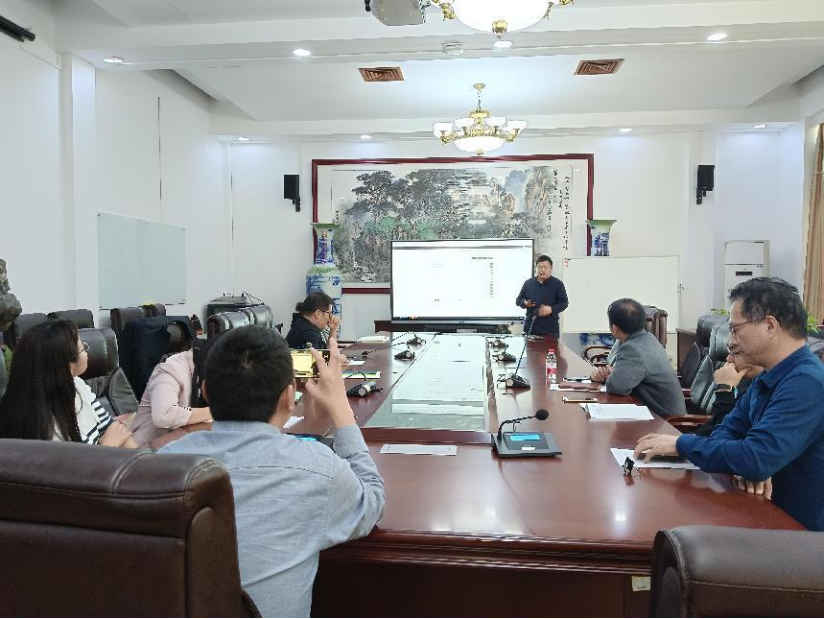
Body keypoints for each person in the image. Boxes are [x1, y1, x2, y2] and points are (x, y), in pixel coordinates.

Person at [158, 326, 385, 617]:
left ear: (205, 392)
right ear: (289, 397)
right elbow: (373, 502)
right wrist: (341, 408)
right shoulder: (318, 470)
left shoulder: (162, 466)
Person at [634, 278, 824, 531]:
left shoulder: (806, 383)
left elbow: (756, 458)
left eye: (735, 330)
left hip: (796, 533)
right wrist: (745, 464)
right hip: (758, 511)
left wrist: (682, 444)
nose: (731, 342)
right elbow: (726, 431)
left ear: (770, 326)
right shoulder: (768, 377)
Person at [0, 320, 136, 447]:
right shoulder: (39, 424)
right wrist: (109, 445)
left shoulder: (77, 384)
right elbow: (71, 465)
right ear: (68, 367)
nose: (87, 352)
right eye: (83, 348)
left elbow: (116, 430)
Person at [590, 298, 686, 417]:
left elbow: (616, 387)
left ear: (614, 328)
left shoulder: (633, 349)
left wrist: (610, 376)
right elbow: (616, 373)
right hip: (654, 413)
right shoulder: (647, 338)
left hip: (665, 420)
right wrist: (606, 375)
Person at [130, 337, 216, 447]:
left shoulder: (208, 372)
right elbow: (163, 415)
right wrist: (216, 412)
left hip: (183, 445)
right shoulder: (171, 369)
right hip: (146, 448)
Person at [694, 353, 761, 437]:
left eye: (735, 354)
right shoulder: (744, 383)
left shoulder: (759, 394)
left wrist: (724, 389)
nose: (727, 359)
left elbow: (723, 434)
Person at [515, 255, 568, 337]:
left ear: (551, 268)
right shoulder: (528, 283)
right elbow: (518, 300)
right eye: (540, 267)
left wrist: (551, 309)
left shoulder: (557, 284)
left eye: (545, 267)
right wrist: (525, 303)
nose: (542, 270)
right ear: (536, 268)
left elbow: (564, 303)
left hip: (550, 330)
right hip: (530, 328)